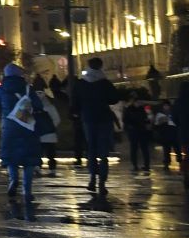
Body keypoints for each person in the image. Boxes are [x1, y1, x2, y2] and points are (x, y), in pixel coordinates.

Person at [0, 67, 50, 207]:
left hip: (9, 126)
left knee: (10, 156)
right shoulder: (27, 88)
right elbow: (38, 105)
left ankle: (13, 179)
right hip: (27, 125)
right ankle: (27, 191)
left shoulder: (1, 89)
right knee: (29, 159)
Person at [71, 57, 121, 195]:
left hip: (88, 119)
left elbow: (75, 103)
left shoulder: (81, 83)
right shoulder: (105, 83)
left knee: (91, 149)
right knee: (103, 153)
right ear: (100, 66)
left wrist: (77, 113)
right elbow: (114, 98)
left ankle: (92, 178)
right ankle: (102, 183)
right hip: (104, 118)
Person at [31, 77, 60, 174]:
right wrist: (51, 127)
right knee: (51, 153)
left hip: (36, 134)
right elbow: (57, 119)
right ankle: (52, 168)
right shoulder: (49, 105)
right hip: (50, 134)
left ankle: (37, 167)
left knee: (37, 152)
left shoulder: (30, 105)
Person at [123, 96, 153, 174]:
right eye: (137, 102)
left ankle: (146, 165)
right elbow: (125, 120)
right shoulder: (130, 109)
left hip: (141, 131)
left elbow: (145, 119)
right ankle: (135, 165)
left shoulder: (141, 109)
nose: (138, 104)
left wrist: (147, 123)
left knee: (143, 149)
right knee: (134, 149)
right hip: (134, 132)